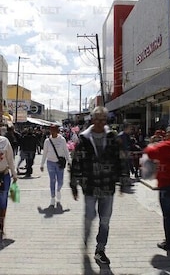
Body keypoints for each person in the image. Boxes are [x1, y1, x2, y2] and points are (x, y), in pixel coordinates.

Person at [70, 106, 127, 265]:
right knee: (89, 217)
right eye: (97, 119)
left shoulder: (113, 137)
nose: (100, 122)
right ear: (92, 120)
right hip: (89, 186)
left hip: (108, 186)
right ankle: (86, 239)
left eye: (103, 119)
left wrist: (123, 180)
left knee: (105, 220)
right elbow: (76, 162)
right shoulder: (84, 138)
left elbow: (121, 159)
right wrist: (74, 184)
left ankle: (100, 249)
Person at [40, 125, 71, 206]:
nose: (53, 132)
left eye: (54, 130)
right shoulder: (47, 141)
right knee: (52, 180)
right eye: (51, 130)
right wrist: (42, 164)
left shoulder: (62, 140)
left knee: (60, 181)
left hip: (59, 163)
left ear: (57, 131)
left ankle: (58, 190)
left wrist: (69, 161)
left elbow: (66, 151)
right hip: (50, 163)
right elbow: (45, 153)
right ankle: (53, 197)